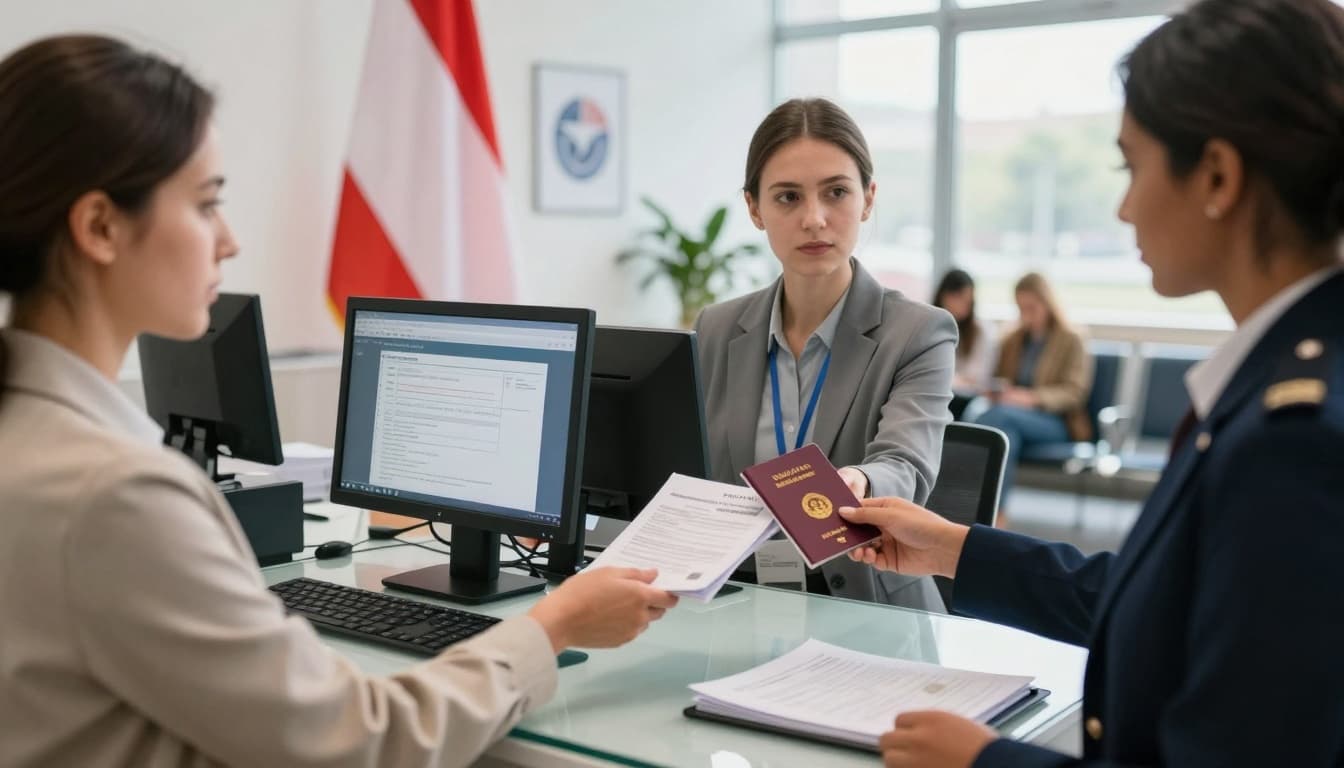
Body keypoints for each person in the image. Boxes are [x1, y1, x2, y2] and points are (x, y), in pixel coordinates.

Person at [0, 35, 677, 768]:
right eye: (205, 205)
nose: (227, 240)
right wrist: (553, 626)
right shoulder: (116, 496)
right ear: (99, 226)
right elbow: (356, 741)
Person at [837, 0, 1344, 765]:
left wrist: (987, 761)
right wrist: (953, 547)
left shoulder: (1293, 439)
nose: (1124, 205)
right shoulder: (1286, 381)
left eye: (1131, 166)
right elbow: (1170, 603)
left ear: (1217, 176)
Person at [695, 97, 956, 610]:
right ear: (754, 209)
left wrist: (857, 482)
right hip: (743, 603)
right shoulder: (717, 329)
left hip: (873, 607)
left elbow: (906, 464)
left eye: (836, 192)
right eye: (788, 197)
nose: (814, 219)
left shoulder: (920, 333)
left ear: (867, 199)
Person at [971, 272, 1091, 511]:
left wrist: (1032, 398)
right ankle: (994, 514)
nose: (1026, 314)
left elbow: (1075, 393)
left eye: (1031, 307)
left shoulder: (1071, 339)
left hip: (1056, 423)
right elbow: (999, 379)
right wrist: (999, 390)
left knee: (994, 419)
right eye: (1020, 308)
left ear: (1047, 303)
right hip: (1013, 418)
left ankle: (972, 505)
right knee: (1006, 437)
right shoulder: (1013, 339)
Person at [931, 268, 997, 419]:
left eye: (967, 301)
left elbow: (977, 378)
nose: (962, 306)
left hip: (965, 398)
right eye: (957, 297)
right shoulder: (929, 326)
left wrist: (951, 379)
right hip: (937, 391)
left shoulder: (982, 331)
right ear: (943, 296)